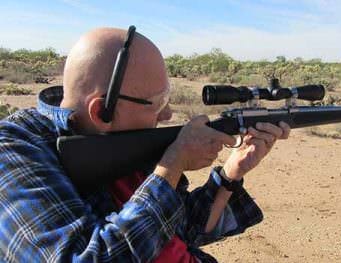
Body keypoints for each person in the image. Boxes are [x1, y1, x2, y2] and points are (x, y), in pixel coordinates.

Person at [0, 27, 290, 262]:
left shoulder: (118, 144)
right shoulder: (14, 149)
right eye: (158, 103)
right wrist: (172, 164)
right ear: (101, 111)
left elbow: (178, 230)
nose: (166, 114)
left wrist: (230, 174)